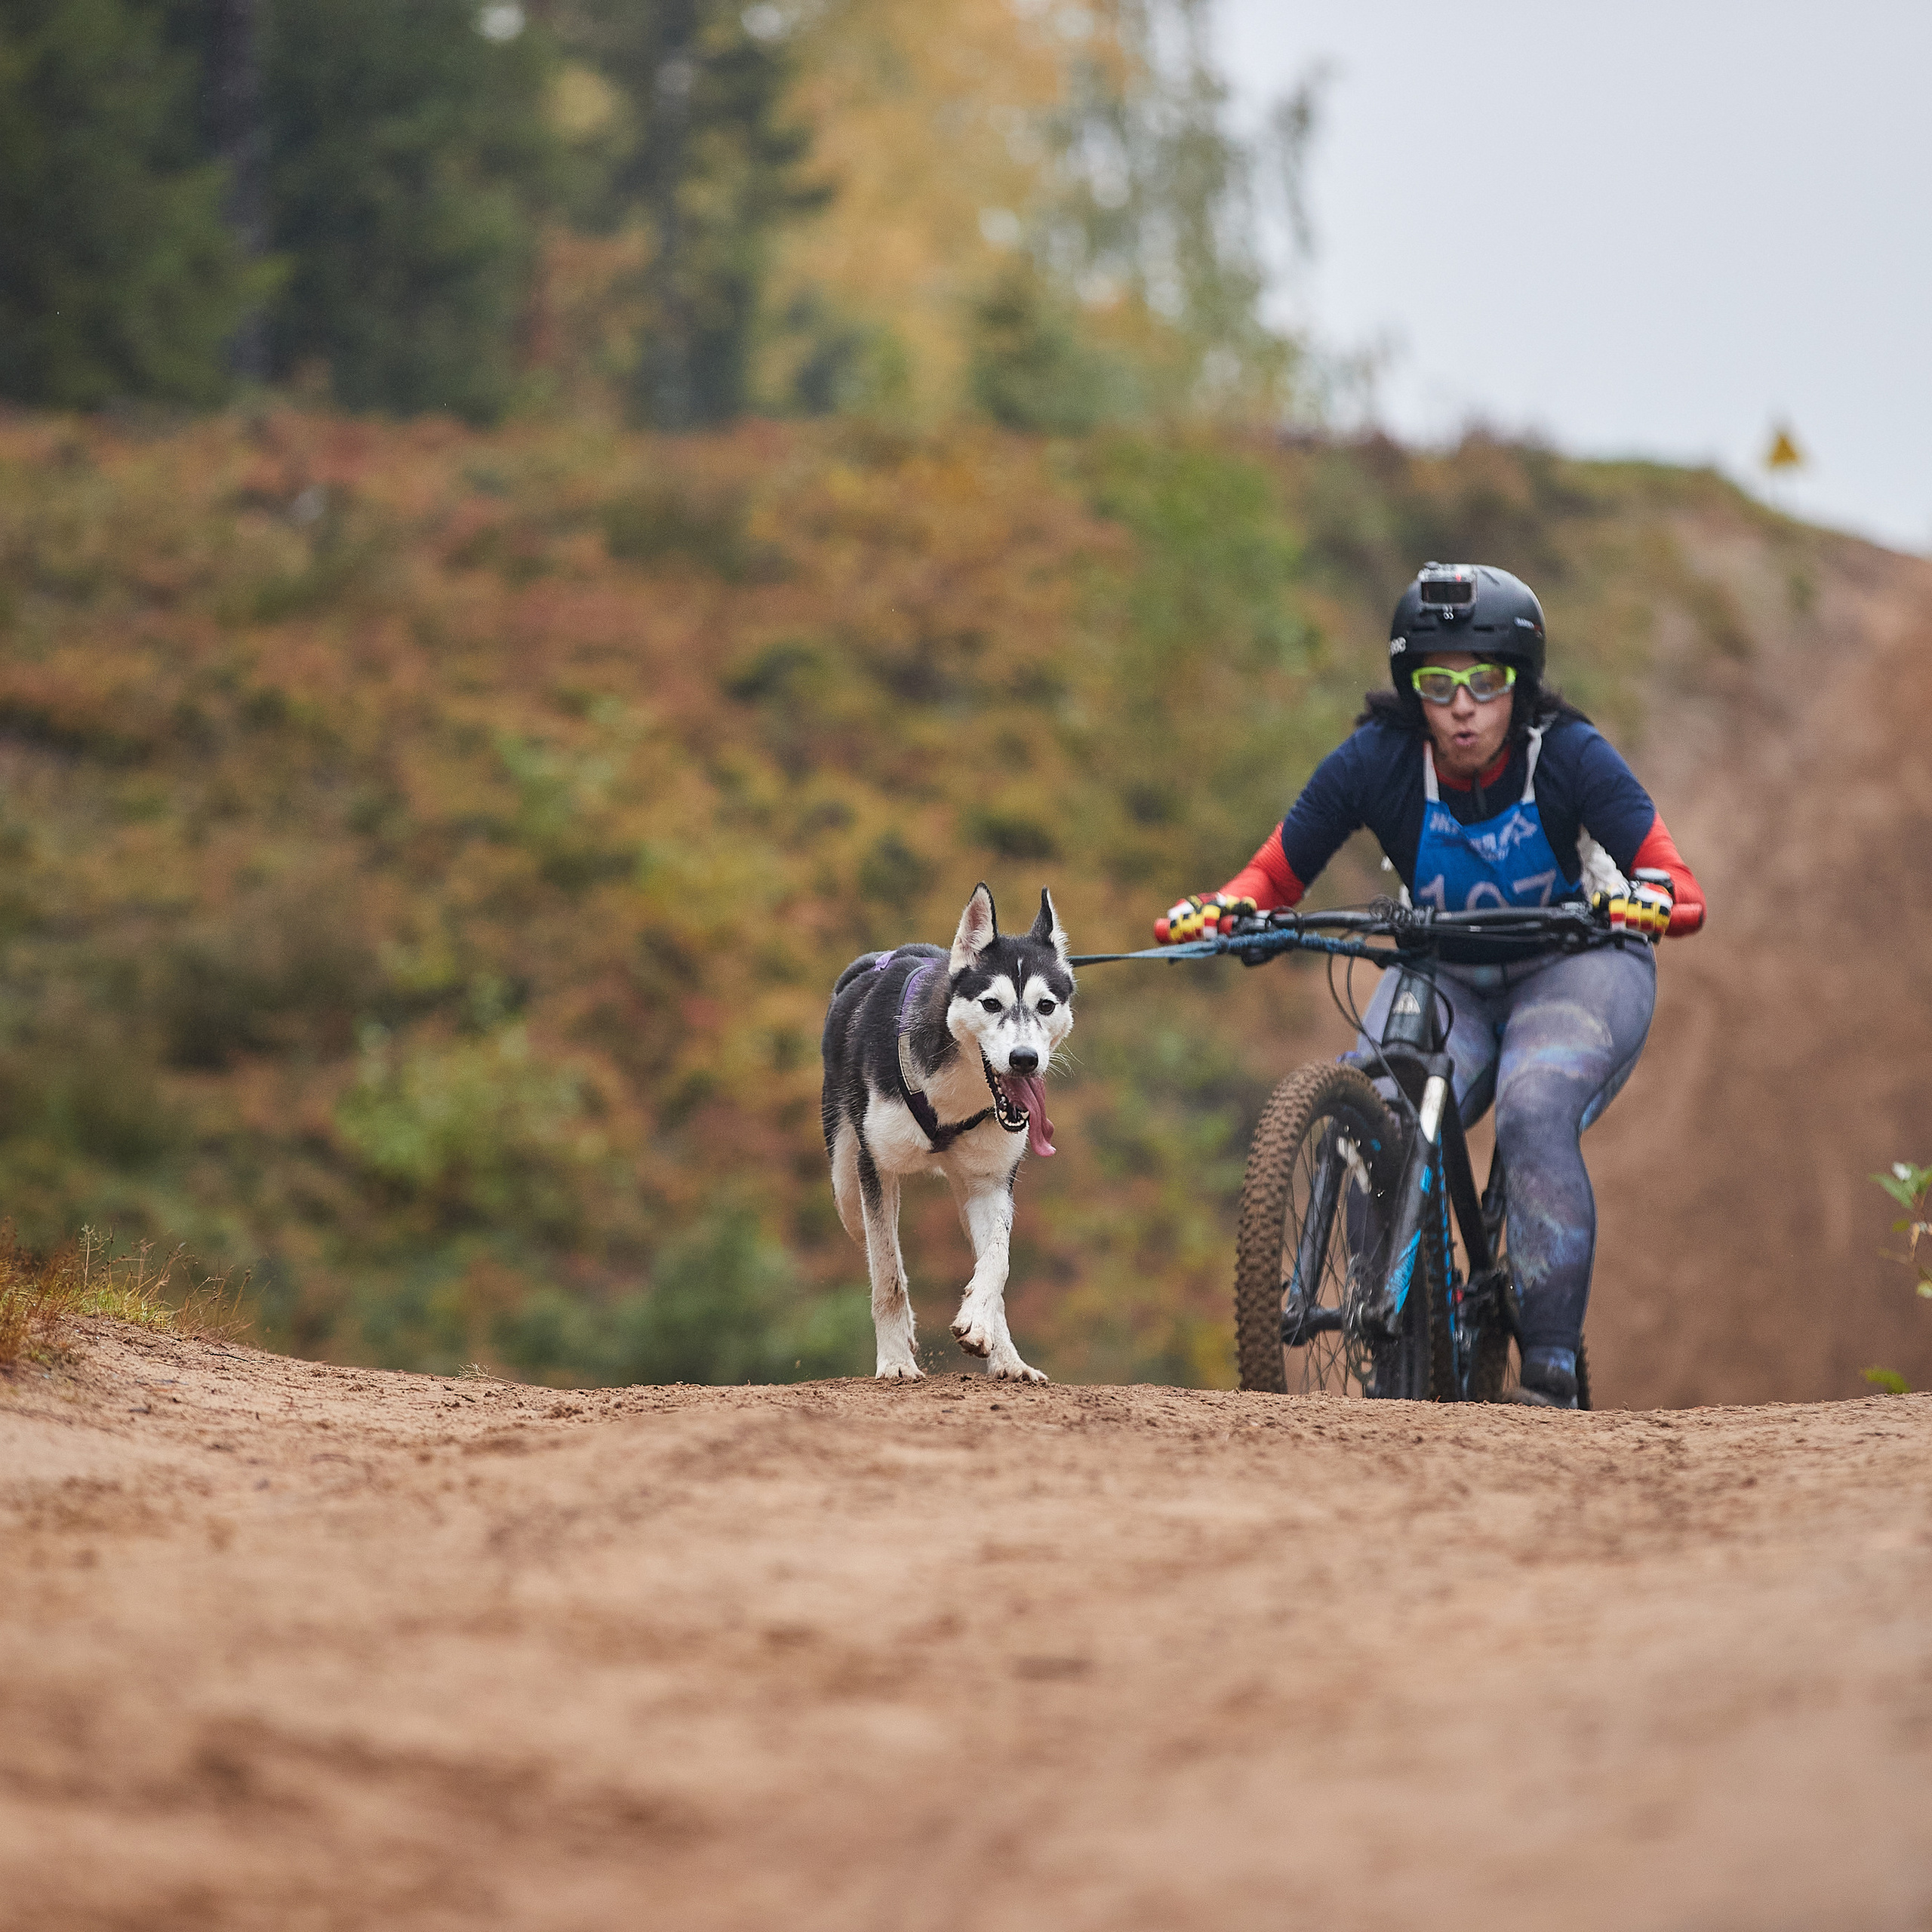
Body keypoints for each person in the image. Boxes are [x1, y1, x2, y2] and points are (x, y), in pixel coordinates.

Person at [1156, 563, 1705, 1407]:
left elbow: (1670, 876)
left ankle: (1551, 1372)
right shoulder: (1375, 759)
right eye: (1436, 681)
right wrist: (1225, 913)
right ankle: (1397, 1350)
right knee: (1377, 1096)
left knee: (1533, 1104)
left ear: (1517, 686)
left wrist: (1651, 898)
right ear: (1410, 688)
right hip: (1444, 968)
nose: (1460, 704)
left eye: (1483, 682)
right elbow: (1273, 874)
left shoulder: (1568, 754)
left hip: (1576, 967)